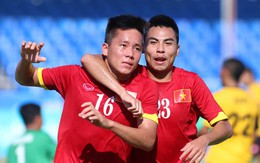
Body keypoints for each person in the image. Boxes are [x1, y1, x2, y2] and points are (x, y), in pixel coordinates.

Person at [80, 14, 233, 163]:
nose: (161, 49)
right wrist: (121, 92)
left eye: (168, 43)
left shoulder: (191, 82)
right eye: (153, 42)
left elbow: (225, 127)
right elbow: (88, 59)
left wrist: (204, 140)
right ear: (144, 49)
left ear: (177, 49)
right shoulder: (129, 75)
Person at [15, 15, 159, 163]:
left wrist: (109, 124)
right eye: (123, 45)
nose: (130, 54)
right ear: (105, 48)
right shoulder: (75, 75)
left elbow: (147, 141)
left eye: (137, 48)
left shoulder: (146, 86)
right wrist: (25, 62)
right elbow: (25, 78)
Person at [199, 58, 259, 163]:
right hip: (244, 159)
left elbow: (204, 130)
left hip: (219, 159)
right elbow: (256, 133)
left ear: (224, 71)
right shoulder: (253, 100)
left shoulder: (219, 97)